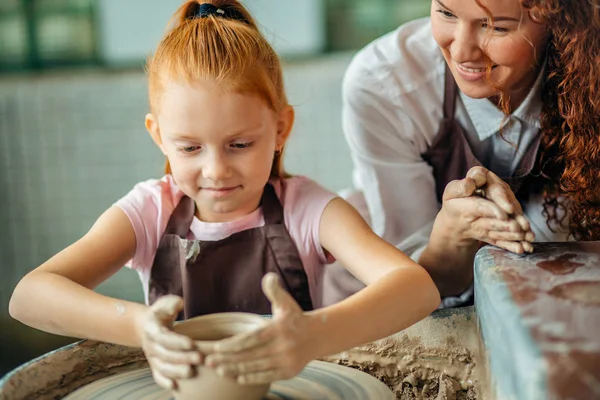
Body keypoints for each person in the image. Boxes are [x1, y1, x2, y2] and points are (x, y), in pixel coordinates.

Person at [8, 0, 441, 391]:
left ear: (280, 129)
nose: (215, 170)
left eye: (239, 144)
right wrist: (142, 327)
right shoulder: (149, 212)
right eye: (190, 148)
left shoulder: (306, 210)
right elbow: (29, 297)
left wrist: (313, 335)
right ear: (158, 136)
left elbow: (416, 288)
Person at [323, 0, 600, 307]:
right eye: (446, 13)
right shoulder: (385, 83)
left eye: (495, 26)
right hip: (389, 303)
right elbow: (411, 280)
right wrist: (453, 237)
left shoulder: (591, 78)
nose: (461, 53)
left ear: (558, 21)